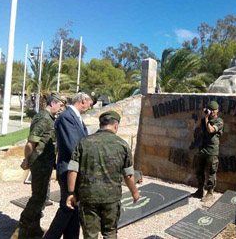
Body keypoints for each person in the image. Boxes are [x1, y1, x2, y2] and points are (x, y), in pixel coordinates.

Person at [65, 111, 140, 239]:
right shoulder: (122, 145)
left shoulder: (84, 143)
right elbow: (128, 175)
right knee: (110, 233)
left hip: (88, 197)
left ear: (100, 124)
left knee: (90, 235)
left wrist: (71, 193)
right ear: (115, 125)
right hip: (111, 198)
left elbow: (72, 170)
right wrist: (134, 192)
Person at [11, 92, 67, 239]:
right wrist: (27, 160)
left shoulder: (49, 118)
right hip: (40, 163)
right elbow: (31, 143)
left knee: (42, 196)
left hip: (46, 163)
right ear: (53, 103)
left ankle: (34, 228)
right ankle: (21, 230)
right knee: (38, 197)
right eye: (60, 105)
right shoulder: (43, 119)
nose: (61, 108)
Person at [44, 91, 96, 239]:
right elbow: (73, 146)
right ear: (83, 100)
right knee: (68, 207)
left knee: (74, 209)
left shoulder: (75, 117)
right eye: (90, 104)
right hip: (69, 171)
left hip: (76, 169)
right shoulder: (67, 117)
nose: (90, 107)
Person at [192, 101, 224, 202]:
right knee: (199, 171)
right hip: (202, 149)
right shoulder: (205, 119)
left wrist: (206, 119)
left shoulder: (219, 121)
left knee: (211, 173)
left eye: (214, 110)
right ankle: (200, 190)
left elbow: (211, 130)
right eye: (211, 110)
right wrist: (203, 116)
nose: (212, 112)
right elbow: (196, 126)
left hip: (212, 151)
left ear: (217, 110)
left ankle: (210, 193)